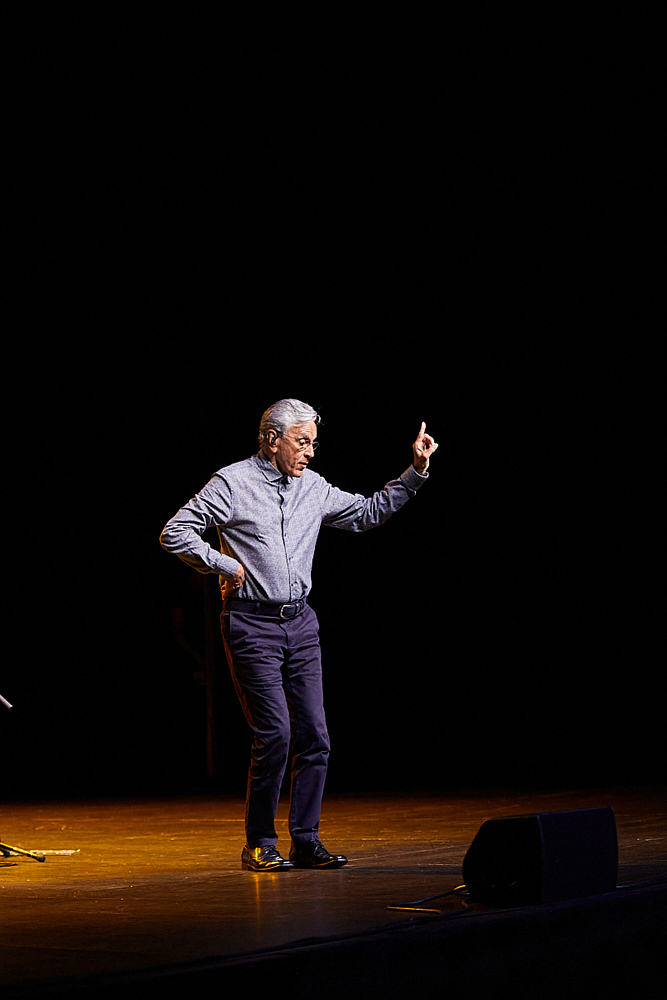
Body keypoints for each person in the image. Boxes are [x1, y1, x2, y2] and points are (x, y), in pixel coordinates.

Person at [160, 399, 438, 872]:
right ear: (272, 439)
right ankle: (259, 842)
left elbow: (367, 512)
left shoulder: (314, 488)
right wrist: (225, 563)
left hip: (301, 623)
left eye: (313, 443)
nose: (310, 452)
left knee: (315, 733)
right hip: (251, 624)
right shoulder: (232, 483)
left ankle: (305, 839)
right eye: (302, 442)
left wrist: (414, 471)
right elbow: (175, 531)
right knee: (275, 734)